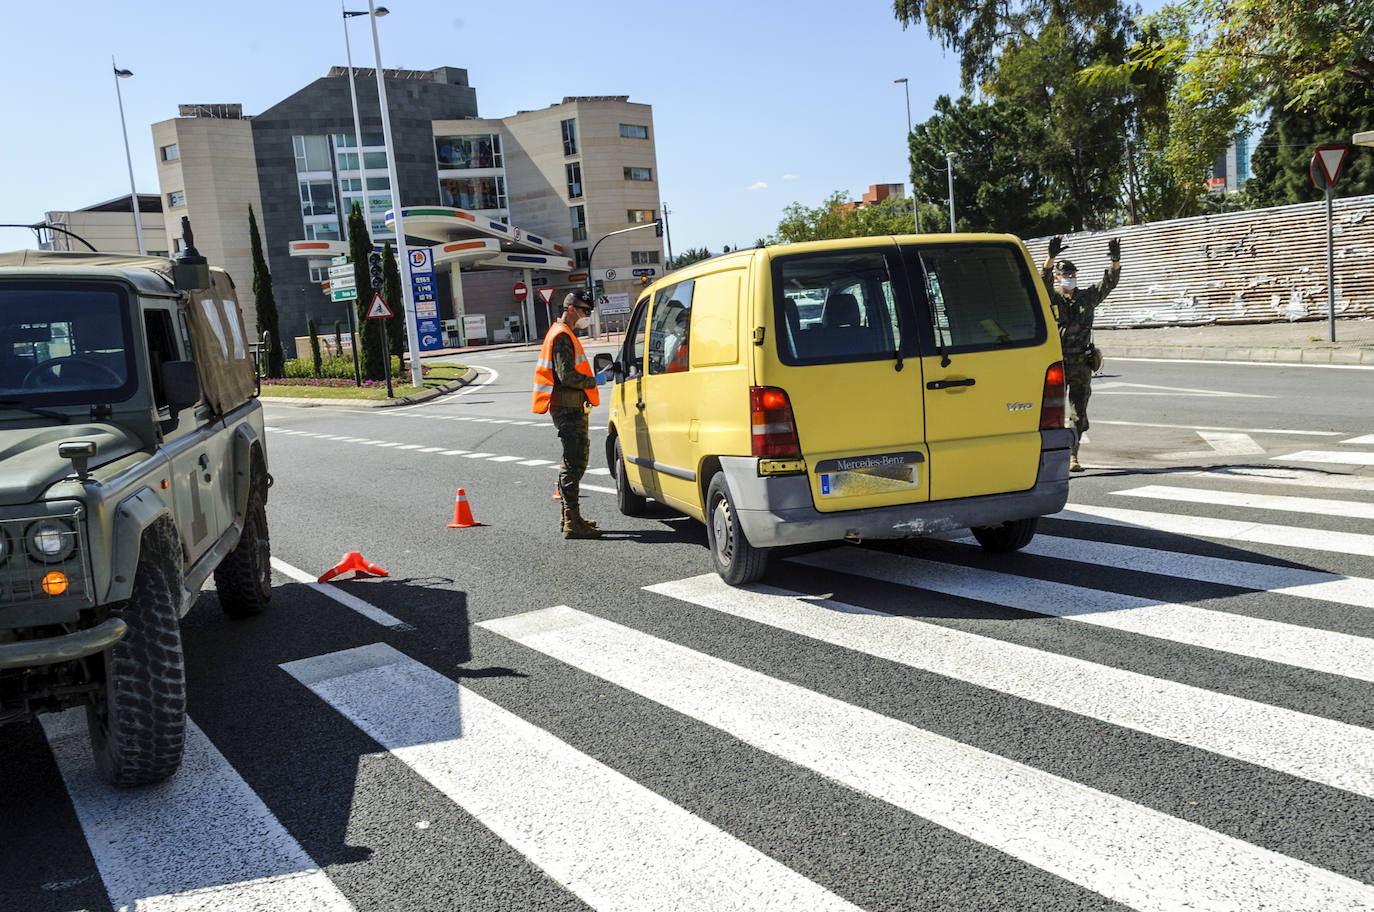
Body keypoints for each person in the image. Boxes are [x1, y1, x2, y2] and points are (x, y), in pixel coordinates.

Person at [1041, 235, 1121, 472]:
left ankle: (1073, 457)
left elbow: (1109, 283)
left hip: (1081, 362)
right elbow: (1042, 282)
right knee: (1050, 413)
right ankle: (1049, 457)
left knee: (1079, 413)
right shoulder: (1053, 298)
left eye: (1073, 275)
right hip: (1056, 362)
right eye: (1065, 275)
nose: (1070, 278)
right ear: (1058, 277)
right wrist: (1050, 257)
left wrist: (1115, 260)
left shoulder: (1087, 297)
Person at [532, 290, 604, 538]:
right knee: (574, 463)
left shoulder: (564, 333)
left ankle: (570, 516)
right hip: (568, 407)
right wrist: (593, 380)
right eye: (585, 311)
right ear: (571, 308)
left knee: (573, 461)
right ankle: (572, 521)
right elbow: (567, 376)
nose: (587, 316)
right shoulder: (562, 336)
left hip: (568, 406)